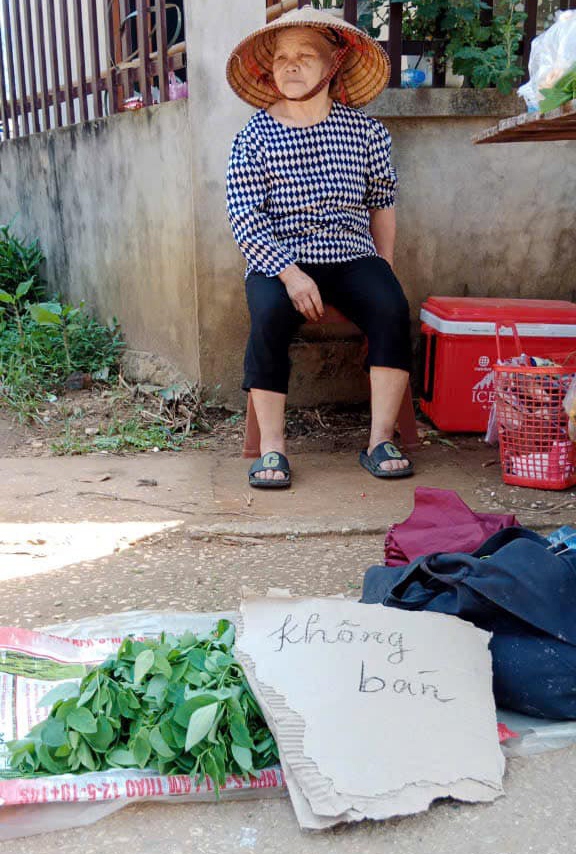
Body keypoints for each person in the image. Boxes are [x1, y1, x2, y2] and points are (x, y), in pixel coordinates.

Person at [226, 7, 413, 489]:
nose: (289, 65)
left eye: (304, 56)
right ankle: (272, 448)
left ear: (332, 66)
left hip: (351, 253)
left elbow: (381, 202)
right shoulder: (253, 137)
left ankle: (380, 440)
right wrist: (289, 273)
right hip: (279, 257)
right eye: (282, 57)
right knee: (267, 314)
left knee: (391, 306)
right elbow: (245, 221)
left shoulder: (366, 132)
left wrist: (384, 269)